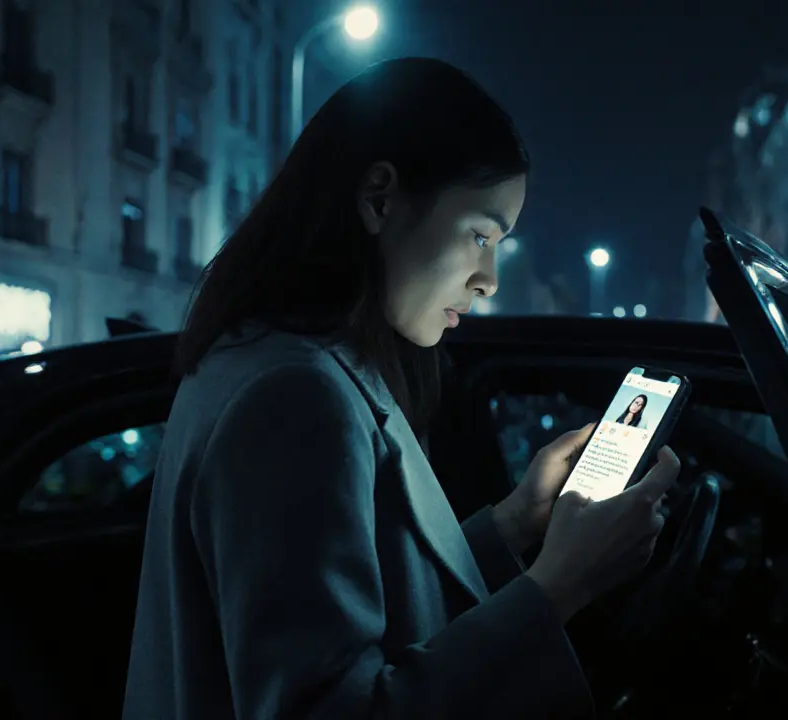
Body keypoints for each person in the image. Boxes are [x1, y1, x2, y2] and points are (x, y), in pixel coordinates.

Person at [122, 58, 680, 720]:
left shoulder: (276, 357)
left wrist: (514, 524)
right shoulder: (295, 396)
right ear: (380, 199)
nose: (489, 279)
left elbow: (371, 607)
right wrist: (559, 585)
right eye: (480, 234)